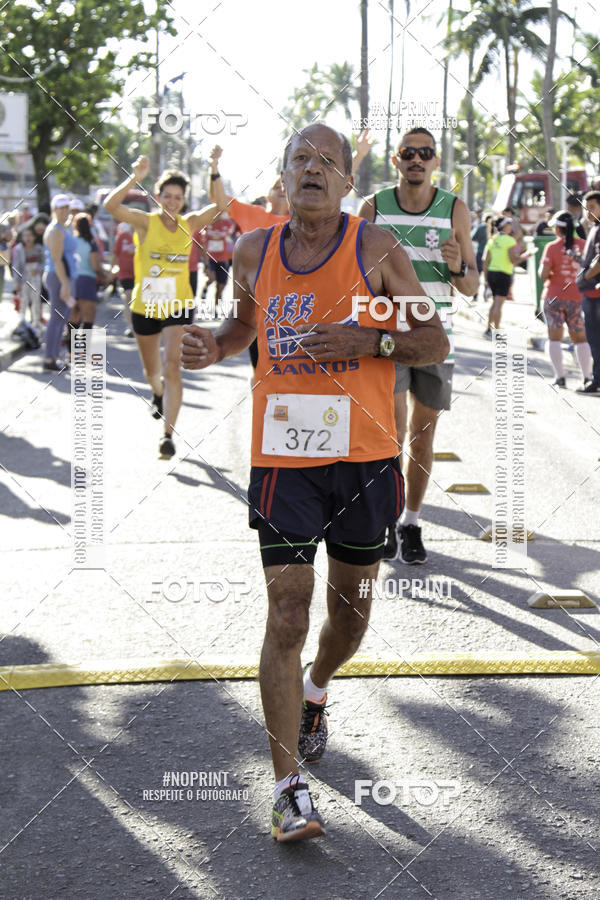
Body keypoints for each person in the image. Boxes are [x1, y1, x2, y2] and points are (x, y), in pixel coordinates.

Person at [181, 123, 449, 842]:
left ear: (346, 183)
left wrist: (370, 340)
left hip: (364, 458)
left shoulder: (375, 248)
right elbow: (243, 326)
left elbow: (434, 340)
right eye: (300, 158)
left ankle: (317, 690)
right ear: (283, 173)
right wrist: (215, 345)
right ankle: (286, 787)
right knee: (288, 612)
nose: (313, 169)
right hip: (283, 458)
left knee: (350, 618)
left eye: (328, 161)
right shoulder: (252, 249)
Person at [358, 127, 479, 564]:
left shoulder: (454, 209)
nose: (417, 159)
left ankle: (410, 521)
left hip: (435, 337)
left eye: (425, 153)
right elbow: (357, 276)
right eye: (408, 152)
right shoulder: (373, 207)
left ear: (435, 161)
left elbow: (471, 285)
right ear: (396, 160)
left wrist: (458, 263)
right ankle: (387, 519)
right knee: (389, 433)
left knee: (422, 436)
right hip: (388, 336)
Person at [103, 156, 220, 458]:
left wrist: (214, 167)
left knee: (172, 367)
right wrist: (134, 177)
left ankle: (168, 435)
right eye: (166, 196)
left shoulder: (189, 223)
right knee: (152, 372)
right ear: (158, 197)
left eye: (177, 197)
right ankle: (157, 394)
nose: (172, 202)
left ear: (184, 200)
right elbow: (110, 207)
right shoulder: (146, 222)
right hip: (146, 306)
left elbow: (221, 205)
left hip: (178, 306)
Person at [210, 145, 289, 370]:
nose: (281, 189)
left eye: (285, 185)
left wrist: (358, 156)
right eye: (276, 186)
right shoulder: (253, 214)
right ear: (267, 196)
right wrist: (214, 168)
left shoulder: (302, 219)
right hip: (256, 308)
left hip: (291, 305)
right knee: (261, 369)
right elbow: (219, 199)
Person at [538, 210, 592, 388]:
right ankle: (587, 377)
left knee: (554, 337)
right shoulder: (584, 245)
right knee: (580, 338)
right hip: (577, 297)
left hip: (553, 297)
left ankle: (560, 378)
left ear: (557, 230)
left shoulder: (552, 247)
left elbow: (544, 274)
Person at [43, 193, 77, 372]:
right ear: (54, 210)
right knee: (56, 319)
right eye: (61, 207)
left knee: (61, 318)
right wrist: (65, 284)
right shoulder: (55, 230)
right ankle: (50, 358)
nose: (64, 210)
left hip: (66, 276)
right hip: (58, 277)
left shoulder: (62, 228)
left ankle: (54, 356)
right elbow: (57, 260)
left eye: (66, 207)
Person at [483, 217, 530, 336]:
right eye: (509, 224)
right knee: (498, 304)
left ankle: (488, 329)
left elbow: (485, 260)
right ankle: (497, 332)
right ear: (504, 226)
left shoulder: (492, 239)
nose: (511, 227)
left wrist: (485, 277)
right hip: (503, 274)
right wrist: (526, 255)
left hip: (492, 273)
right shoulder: (510, 240)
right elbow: (513, 260)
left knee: (494, 303)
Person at [575, 191, 600, 394]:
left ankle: (596, 380)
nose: (587, 212)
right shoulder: (594, 228)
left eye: (591, 207)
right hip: (591, 294)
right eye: (585, 207)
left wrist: (585, 277)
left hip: (595, 295)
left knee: (595, 339)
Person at [72, 213, 103, 330]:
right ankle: (84, 348)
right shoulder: (91, 243)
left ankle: (72, 348)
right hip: (87, 282)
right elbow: (96, 267)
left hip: (72, 281)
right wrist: (105, 277)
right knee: (88, 319)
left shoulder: (70, 241)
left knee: (73, 319)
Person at [11, 226, 44, 330]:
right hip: (23, 278)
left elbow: (43, 262)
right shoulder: (18, 249)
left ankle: (36, 322)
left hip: (35, 277)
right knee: (23, 300)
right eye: (25, 236)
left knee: (36, 300)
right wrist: (16, 282)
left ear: (34, 236)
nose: (27, 238)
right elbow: (16, 266)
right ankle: (21, 322)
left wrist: (38, 269)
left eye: (29, 235)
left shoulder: (39, 248)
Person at [112, 222, 136, 336]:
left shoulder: (143, 236)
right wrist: (111, 271)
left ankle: (139, 325)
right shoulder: (123, 237)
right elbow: (116, 254)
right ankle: (130, 326)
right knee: (128, 296)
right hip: (125, 274)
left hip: (140, 275)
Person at [471, 212, 492, 301]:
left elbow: (472, 237)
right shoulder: (494, 229)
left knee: (477, 275)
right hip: (491, 255)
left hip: (480, 254)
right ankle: (486, 295)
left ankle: (475, 295)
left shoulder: (480, 228)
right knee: (488, 276)